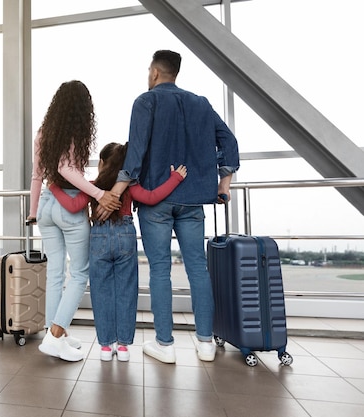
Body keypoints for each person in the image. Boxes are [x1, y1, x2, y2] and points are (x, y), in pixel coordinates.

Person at [101, 50, 240, 364]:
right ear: (176, 72)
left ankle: (165, 344)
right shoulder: (201, 103)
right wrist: (224, 183)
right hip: (193, 200)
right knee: (197, 270)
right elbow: (228, 141)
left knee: (160, 271)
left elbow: (135, 153)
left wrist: (117, 190)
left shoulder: (146, 101)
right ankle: (205, 343)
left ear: (154, 72)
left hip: (157, 200)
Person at [50, 142, 186, 361]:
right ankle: (122, 347)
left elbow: (74, 206)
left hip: (99, 239)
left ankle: (105, 347)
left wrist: (54, 187)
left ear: (102, 162)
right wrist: (175, 179)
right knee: (126, 292)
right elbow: (152, 197)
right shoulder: (129, 186)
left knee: (101, 293)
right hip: (126, 236)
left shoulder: (94, 186)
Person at [28, 80, 121, 362]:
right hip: (68, 205)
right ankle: (55, 337)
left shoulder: (44, 132)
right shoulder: (73, 132)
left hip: (46, 204)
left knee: (56, 272)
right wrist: (99, 193)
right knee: (80, 273)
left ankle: (54, 333)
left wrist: (33, 211)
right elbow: (65, 168)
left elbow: (37, 175)